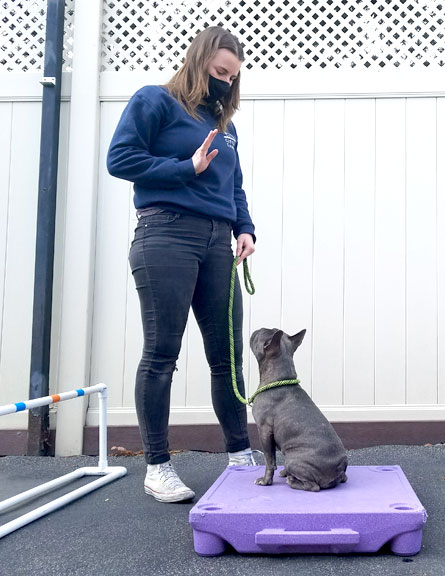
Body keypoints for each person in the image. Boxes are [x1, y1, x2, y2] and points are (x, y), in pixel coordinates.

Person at [107, 26, 256, 503]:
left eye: (232, 78)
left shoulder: (225, 127)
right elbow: (120, 158)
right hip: (166, 233)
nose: (224, 84)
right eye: (219, 73)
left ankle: (240, 456)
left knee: (226, 357)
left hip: (218, 243)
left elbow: (233, 187)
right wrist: (182, 169)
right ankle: (157, 466)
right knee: (162, 354)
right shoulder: (155, 101)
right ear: (199, 62)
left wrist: (244, 228)